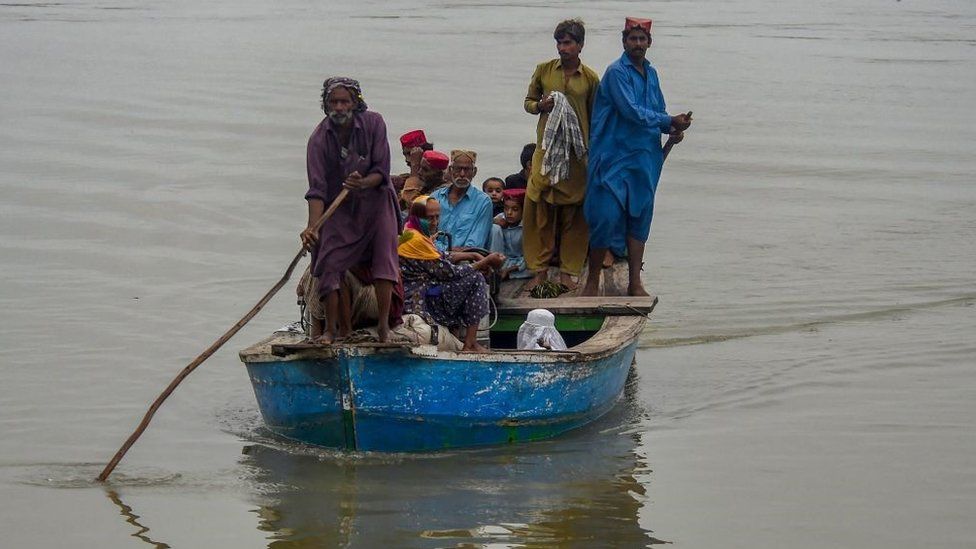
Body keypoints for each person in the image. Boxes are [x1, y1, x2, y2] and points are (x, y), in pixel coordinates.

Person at [581, 17, 692, 297]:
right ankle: (592, 281)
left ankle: (635, 281)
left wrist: (673, 127)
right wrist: (667, 119)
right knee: (605, 217)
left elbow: (658, 110)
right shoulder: (616, 72)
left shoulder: (651, 74)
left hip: (643, 158)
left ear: (649, 43)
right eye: (633, 39)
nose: (638, 44)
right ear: (624, 42)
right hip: (613, 156)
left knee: (640, 218)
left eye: (643, 40)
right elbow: (630, 111)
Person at [299, 76, 400, 343]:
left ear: (355, 103)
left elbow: (382, 171)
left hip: (376, 203)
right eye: (334, 102)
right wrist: (313, 227)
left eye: (345, 101)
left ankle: (383, 328)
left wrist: (363, 183)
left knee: (383, 261)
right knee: (328, 259)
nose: (339, 107)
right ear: (325, 104)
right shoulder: (318, 140)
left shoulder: (374, 123)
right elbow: (317, 191)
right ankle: (332, 331)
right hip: (339, 209)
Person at [522, 18, 600, 292]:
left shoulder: (590, 78)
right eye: (559, 42)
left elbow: (595, 117)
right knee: (538, 206)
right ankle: (539, 271)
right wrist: (540, 106)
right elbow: (528, 102)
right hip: (547, 150)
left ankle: (569, 272)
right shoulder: (544, 71)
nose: (562, 48)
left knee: (575, 215)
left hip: (576, 155)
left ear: (580, 45)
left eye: (568, 43)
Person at [398, 196, 495, 352]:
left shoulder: (411, 230)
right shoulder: (415, 240)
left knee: (469, 275)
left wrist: (471, 255)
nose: (435, 222)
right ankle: (470, 343)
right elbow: (449, 272)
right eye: (430, 218)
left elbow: (440, 256)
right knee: (475, 278)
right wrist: (483, 263)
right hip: (420, 297)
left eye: (437, 217)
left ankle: (464, 338)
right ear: (418, 216)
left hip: (424, 289)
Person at [430, 150, 493, 250]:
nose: (462, 174)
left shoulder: (483, 202)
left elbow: (474, 245)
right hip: (434, 256)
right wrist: (446, 251)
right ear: (450, 170)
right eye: (458, 169)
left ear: (474, 172)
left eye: (467, 169)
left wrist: (445, 251)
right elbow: (428, 236)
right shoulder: (435, 197)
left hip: (465, 260)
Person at [490, 188, 532, 280]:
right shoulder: (500, 219)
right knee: (494, 228)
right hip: (503, 260)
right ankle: (495, 268)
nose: (509, 213)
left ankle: (506, 275)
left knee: (535, 269)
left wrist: (509, 270)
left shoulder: (529, 225)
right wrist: (494, 222)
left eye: (515, 209)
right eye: (506, 208)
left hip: (522, 263)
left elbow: (530, 256)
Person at [399, 150, 449, 217]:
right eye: (420, 168)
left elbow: (415, 205)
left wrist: (414, 171)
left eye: (425, 170)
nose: (419, 172)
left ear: (439, 174)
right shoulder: (428, 185)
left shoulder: (443, 193)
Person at [391, 129, 433, 193]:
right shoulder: (404, 179)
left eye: (411, 154)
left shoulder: (438, 180)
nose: (407, 160)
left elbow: (411, 197)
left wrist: (415, 166)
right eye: (405, 155)